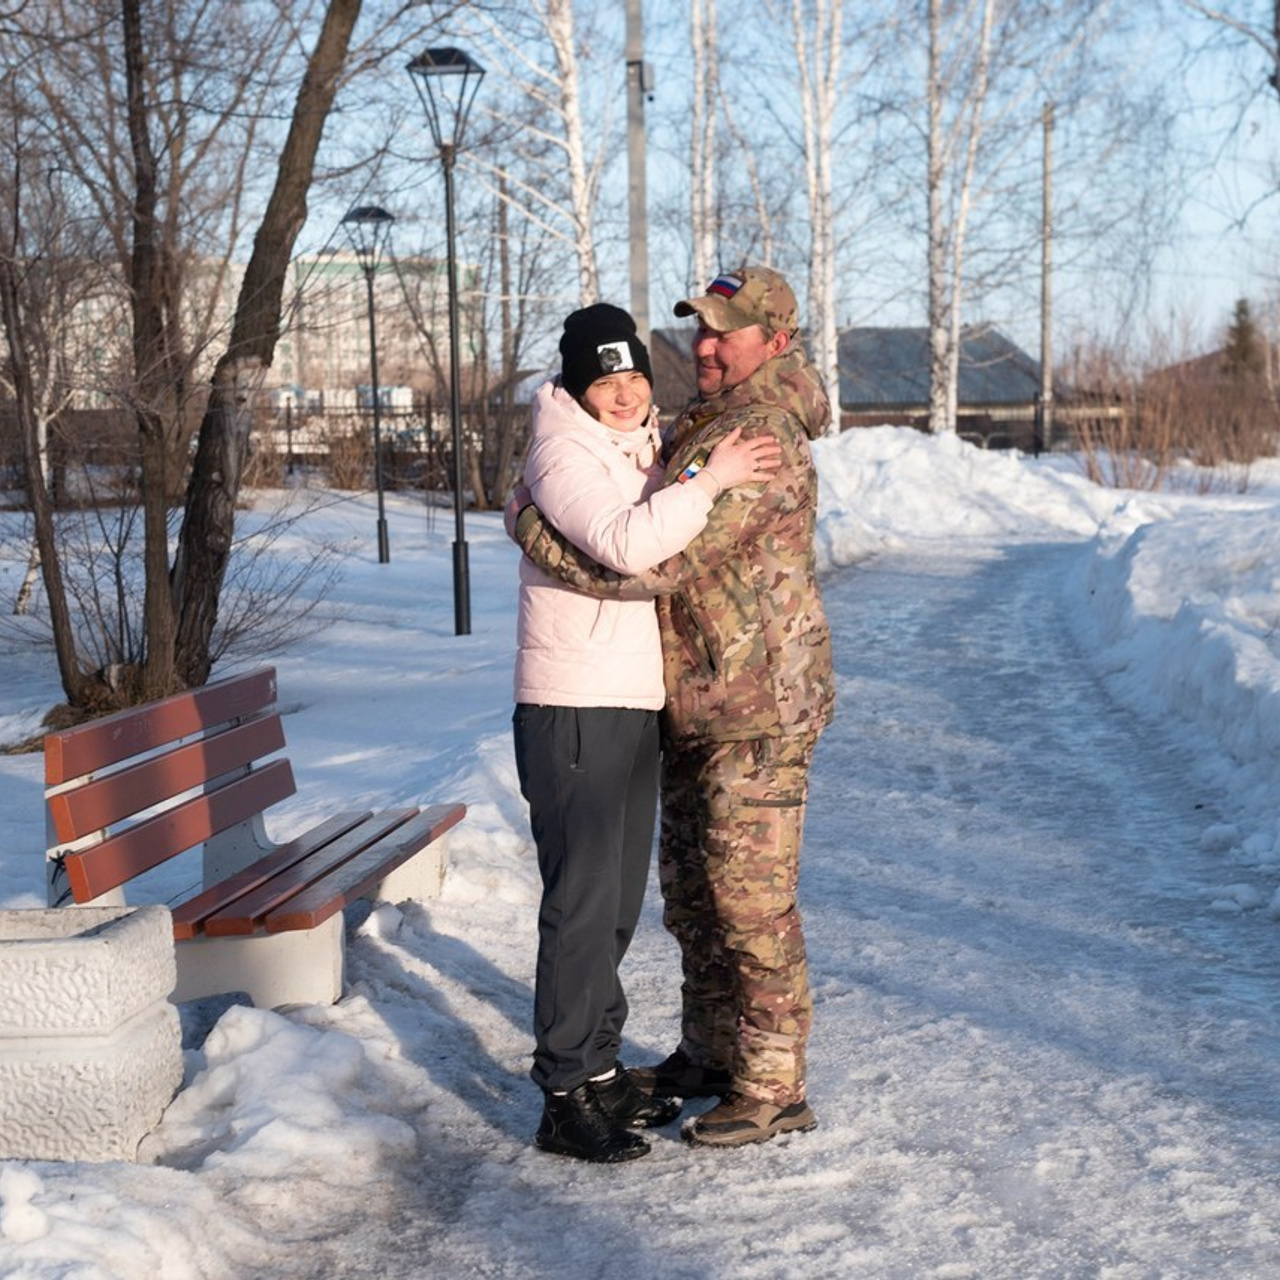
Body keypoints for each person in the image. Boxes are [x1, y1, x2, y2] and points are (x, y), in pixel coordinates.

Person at [510, 266, 835, 1149]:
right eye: (698, 329)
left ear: (775, 342)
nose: (704, 345)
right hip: (690, 697)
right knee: (691, 896)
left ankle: (771, 1084)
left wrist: (533, 528)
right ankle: (709, 1050)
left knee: (749, 902)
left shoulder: (758, 434)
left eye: (725, 332)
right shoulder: (701, 423)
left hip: (755, 703)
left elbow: (654, 564)